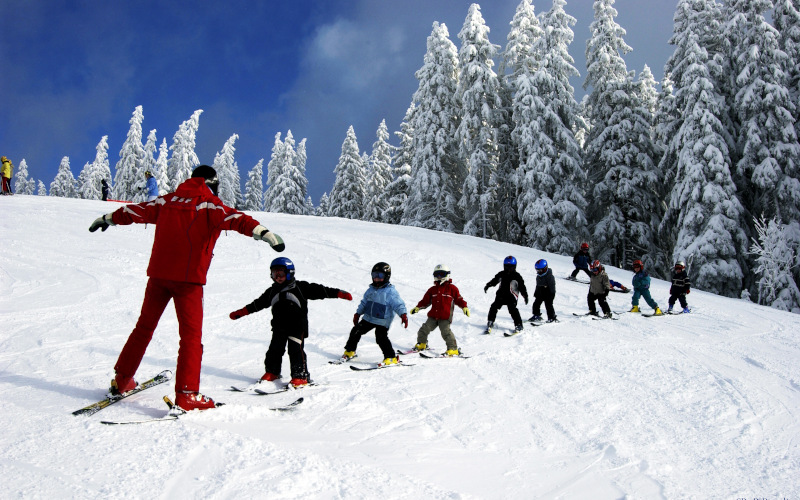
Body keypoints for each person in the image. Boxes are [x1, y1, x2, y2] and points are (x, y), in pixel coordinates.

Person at [88, 165, 286, 412]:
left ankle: (122, 380)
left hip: (158, 277)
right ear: (212, 183)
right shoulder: (209, 205)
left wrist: (109, 218)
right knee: (191, 338)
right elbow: (237, 219)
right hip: (189, 282)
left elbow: (137, 210)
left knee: (144, 328)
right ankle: (187, 394)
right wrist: (264, 232)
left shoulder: (168, 201)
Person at [229, 257, 353, 387]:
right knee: (274, 350)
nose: (278, 277)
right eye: (274, 274)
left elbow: (321, 290)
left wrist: (339, 293)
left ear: (290, 273)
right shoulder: (272, 291)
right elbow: (257, 304)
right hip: (279, 327)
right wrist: (241, 312)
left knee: (295, 351)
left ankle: (300, 376)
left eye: (281, 273)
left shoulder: (300, 287)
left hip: (297, 327)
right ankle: (272, 372)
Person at [342, 262, 408, 365]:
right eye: (374, 275)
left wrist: (403, 314)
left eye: (380, 276)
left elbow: (398, 304)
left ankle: (391, 357)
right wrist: (358, 314)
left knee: (380, 337)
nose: (376, 278)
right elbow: (364, 303)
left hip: (383, 320)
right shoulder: (370, 290)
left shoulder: (390, 292)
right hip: (369, 318)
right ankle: (350, 351)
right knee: (356, 331)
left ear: (387, 276)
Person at [409, 265, 469, 356]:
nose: (439, 277)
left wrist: (464, 307)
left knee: (446, 332)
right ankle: (422, 344)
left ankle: (453, 349)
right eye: (437, 274)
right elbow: (425, 301)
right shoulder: (432, 289)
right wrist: (417, 308)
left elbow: (459, 299)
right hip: (433, 316)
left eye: (442, 274)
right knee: (423, 329)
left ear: (447, 275)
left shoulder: (452, 288)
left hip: (445, 317)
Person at [484, 256, 528, 334]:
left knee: (512, 309)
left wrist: (525, 295)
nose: (508, 269)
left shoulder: (517, 276)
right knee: (494, 306)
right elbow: (495, 280)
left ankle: (519, 325)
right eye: (506, 266)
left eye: (511, 267)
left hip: (511, 297)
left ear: (514, 267)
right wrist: (488, 285)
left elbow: (522, 286)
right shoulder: (502, 274)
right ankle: (490, 321)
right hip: (501, 295)